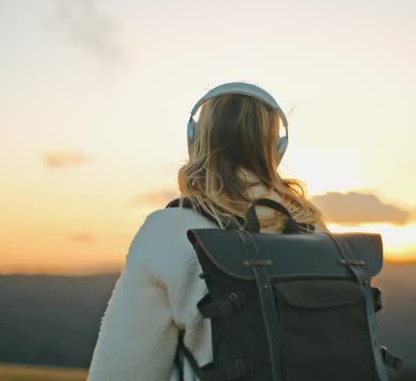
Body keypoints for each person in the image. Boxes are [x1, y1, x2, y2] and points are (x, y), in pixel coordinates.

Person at [86, 86, 327, 380]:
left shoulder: (169, 230)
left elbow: (121, 371)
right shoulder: (314, 230)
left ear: (194, 138)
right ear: (277, 148)